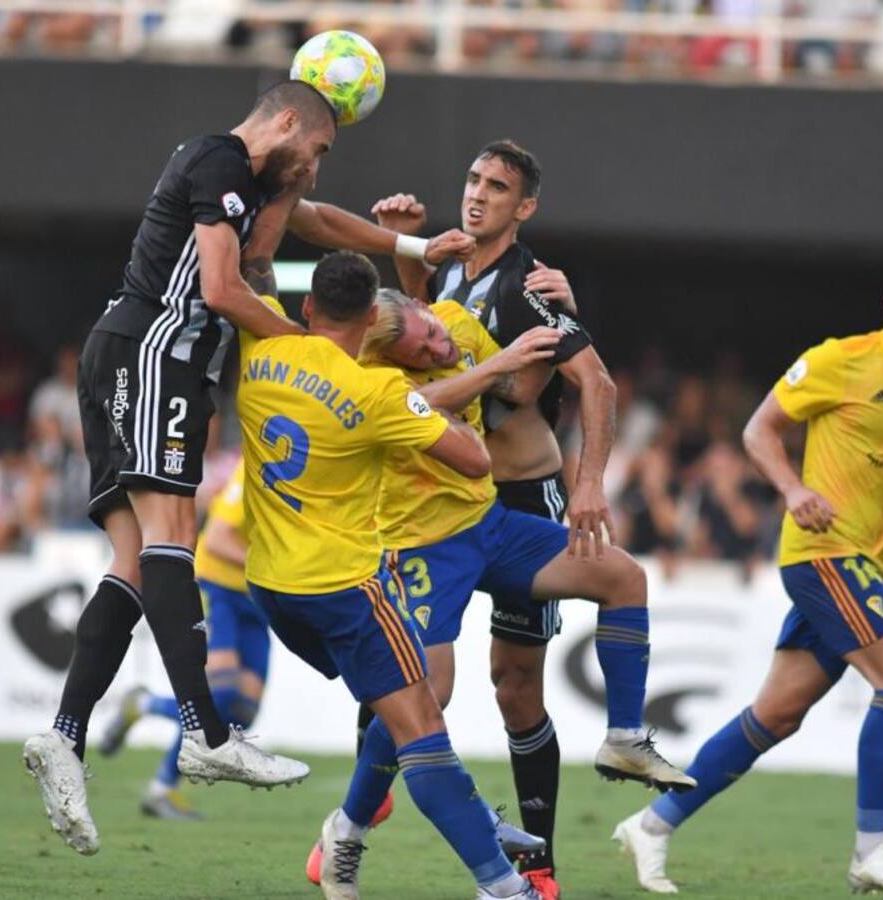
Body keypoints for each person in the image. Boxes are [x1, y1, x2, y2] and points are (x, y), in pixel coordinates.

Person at [22, 78, 476, 856]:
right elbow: (223, 287)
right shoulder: (222, 160)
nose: (319, 165)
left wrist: (406, 247)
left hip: (143, 357)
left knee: (135, 560)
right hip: (155, 351)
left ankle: (66, 735)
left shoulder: (240, 177)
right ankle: (206, 730)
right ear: (290, 121)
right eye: (321, 149)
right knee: (173, 538)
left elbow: (317, 223)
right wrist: (302, 350)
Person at [305, 290, 694, 890]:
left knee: (623, 576)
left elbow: (517, 388)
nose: (439, 343)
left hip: (492, 526)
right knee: (426, 693)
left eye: (432, 329)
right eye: (422, 349)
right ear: (392, 357)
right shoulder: (368, 377)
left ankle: (623, 737)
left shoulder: (456, 318)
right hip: (421, 548)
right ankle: (348, 829)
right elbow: (436, 396)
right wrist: (494, 365)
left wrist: (559, 323)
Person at [613, 241, 883, 895]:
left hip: (865, 564)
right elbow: (758, 430)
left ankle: (653, 825)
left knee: (775, 715)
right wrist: (793, 490)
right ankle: (871, 850)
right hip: (821, 553)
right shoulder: (840, 359)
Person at [240, 251, 539, 900]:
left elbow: (243, 272)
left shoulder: (258, 343)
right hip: (345, 588)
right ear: (374, 316)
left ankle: (346, 832)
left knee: (402, 704)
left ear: (309, 306)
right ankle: (501, 886)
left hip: (269, 586)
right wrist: (420, 412)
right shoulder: (378, 393)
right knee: (423, 724)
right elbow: (474, 460)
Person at [373, 139, 619, 897]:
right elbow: (422, 346)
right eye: (474, 179)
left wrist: (588, 483)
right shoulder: (448, 265)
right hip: (443, 505)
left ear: (525, 207)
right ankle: (363, 799)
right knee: (415, 674)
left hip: (520, 499)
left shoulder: (530, 283)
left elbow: (595, 381)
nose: (478, 194)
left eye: (498, 186)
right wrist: (407, 255)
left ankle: (537, 862)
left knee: (515, 686)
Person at [95, 458, 270, 821]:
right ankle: (144, 711)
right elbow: (218, 538)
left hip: (256, 598)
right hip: (218, 586)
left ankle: (160, 785)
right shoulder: (259, 470)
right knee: (220, 694)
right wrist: (268, 569)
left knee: (242, 712)